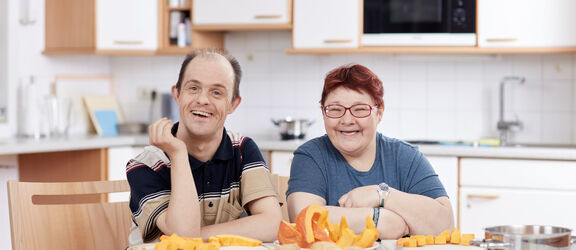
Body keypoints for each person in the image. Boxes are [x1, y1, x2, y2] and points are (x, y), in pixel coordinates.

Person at [126, 50, 282, 245]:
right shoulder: (146, 165)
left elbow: (271, 224)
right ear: (177, 94)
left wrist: (197, 234)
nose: (202, 100)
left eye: (216, 92)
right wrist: (178, 153)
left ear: (233, 104)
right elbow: (183, 234)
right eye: (193, 88)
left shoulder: (243, 150)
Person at [286, 64, 454, 239]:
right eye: (335, 110)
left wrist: (383, 195)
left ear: (379, 112)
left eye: (360, 109)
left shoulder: (406, 157)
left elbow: (446, 226)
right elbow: (304, 219)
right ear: (323, 112)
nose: (347, 120)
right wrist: (379, 220)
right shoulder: (311, 156)